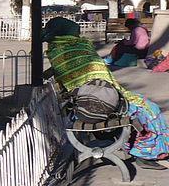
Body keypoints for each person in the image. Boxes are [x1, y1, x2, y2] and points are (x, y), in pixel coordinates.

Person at [44, 16, 169, 162]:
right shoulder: (81, 46)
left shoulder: (55, 50)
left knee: (143, 105)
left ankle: (148, 148)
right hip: (99, 101)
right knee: (149, 108)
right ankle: (150, 152)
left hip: (85, 101)